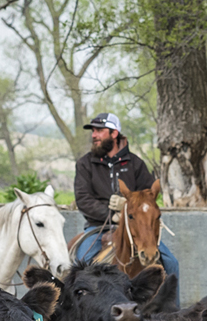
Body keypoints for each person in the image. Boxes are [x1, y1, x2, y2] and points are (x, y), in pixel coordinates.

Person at [70, 111, 178, 279]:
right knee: (82, 266)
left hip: (137, 227)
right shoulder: (85, 164)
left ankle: (172, 306)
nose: (94, 135)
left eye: (99, 131)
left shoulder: (135, 164)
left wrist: (130, 205)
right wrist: (112, 215)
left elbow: (149, 196)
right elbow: (84, 199)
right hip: (98, 228)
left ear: (114, 134)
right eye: (93, 131)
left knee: (171, 263)